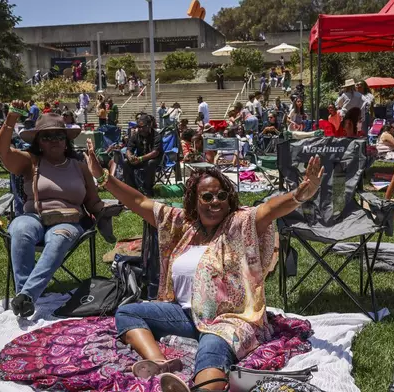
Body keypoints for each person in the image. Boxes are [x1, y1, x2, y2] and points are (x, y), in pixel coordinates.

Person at [84, 135, 324, 392]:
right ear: (195, 201)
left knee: (212, 345)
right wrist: (103, 178)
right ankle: (160, 363)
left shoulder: (239, 224)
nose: (215, 202)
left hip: (229, 319)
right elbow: (140, 202)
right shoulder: (181, 226)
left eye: (221, 195)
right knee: (128, 312)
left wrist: (299, 195)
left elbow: (269, 209)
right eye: (207, 197)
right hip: (185, 315)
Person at [0, 104, 106, 317]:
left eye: (59, 136)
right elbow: (2, 151)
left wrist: (105, 210)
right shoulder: (31, 161)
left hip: (69, 220)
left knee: (59, 238)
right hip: (34, 215)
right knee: (20, 229)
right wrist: (11, 119)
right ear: (39, 143)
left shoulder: (79, 166)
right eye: (47, 137)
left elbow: (92, 200)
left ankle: (26, 296)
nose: (54, 141)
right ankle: (24, 295)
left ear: (67, 141)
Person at [123, 114, 162, 197]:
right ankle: (132, 189)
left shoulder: (156, 135)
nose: (140, 129)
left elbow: (155, 152)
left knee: (150, 163)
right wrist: (130, 157)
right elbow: (129, 149)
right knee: (126, 162)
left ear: (149, 125)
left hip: (155, 161)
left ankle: (147, 189)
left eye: (142, 127)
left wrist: (140, 159)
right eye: (138, 127)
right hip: (140, 159)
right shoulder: (136, 135)